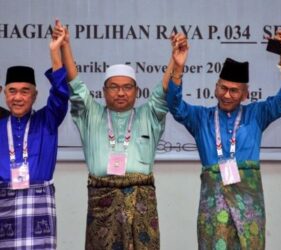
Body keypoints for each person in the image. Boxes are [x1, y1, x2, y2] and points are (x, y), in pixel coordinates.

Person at [53, 20, 188, 249]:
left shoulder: (149, 115)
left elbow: (164, 91)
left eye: (127, 87)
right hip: (101, 204)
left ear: (136, 91)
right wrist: (65, 46)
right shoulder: (90, 114)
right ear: (104, 91)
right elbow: (75, 84)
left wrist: (176, 63)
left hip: (141, 205)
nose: (121, 92)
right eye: (114, 87)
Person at [166, 30, 281, 249]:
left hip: (249, 204)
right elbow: (175, 106)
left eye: (234, 91)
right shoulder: (200, 118)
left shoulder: (257, 114)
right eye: (223, 88)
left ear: (246, 94)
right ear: (215, 88)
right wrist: (178, 67)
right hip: (213, 206)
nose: (227, 95)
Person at [0, 23, 69, 249]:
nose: (18, 97)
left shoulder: (47, 119)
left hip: (39, 204)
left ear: (35, 95)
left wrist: (54, 53)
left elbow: (60, 94)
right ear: (4, 93)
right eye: (12, 91)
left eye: (25, 91)